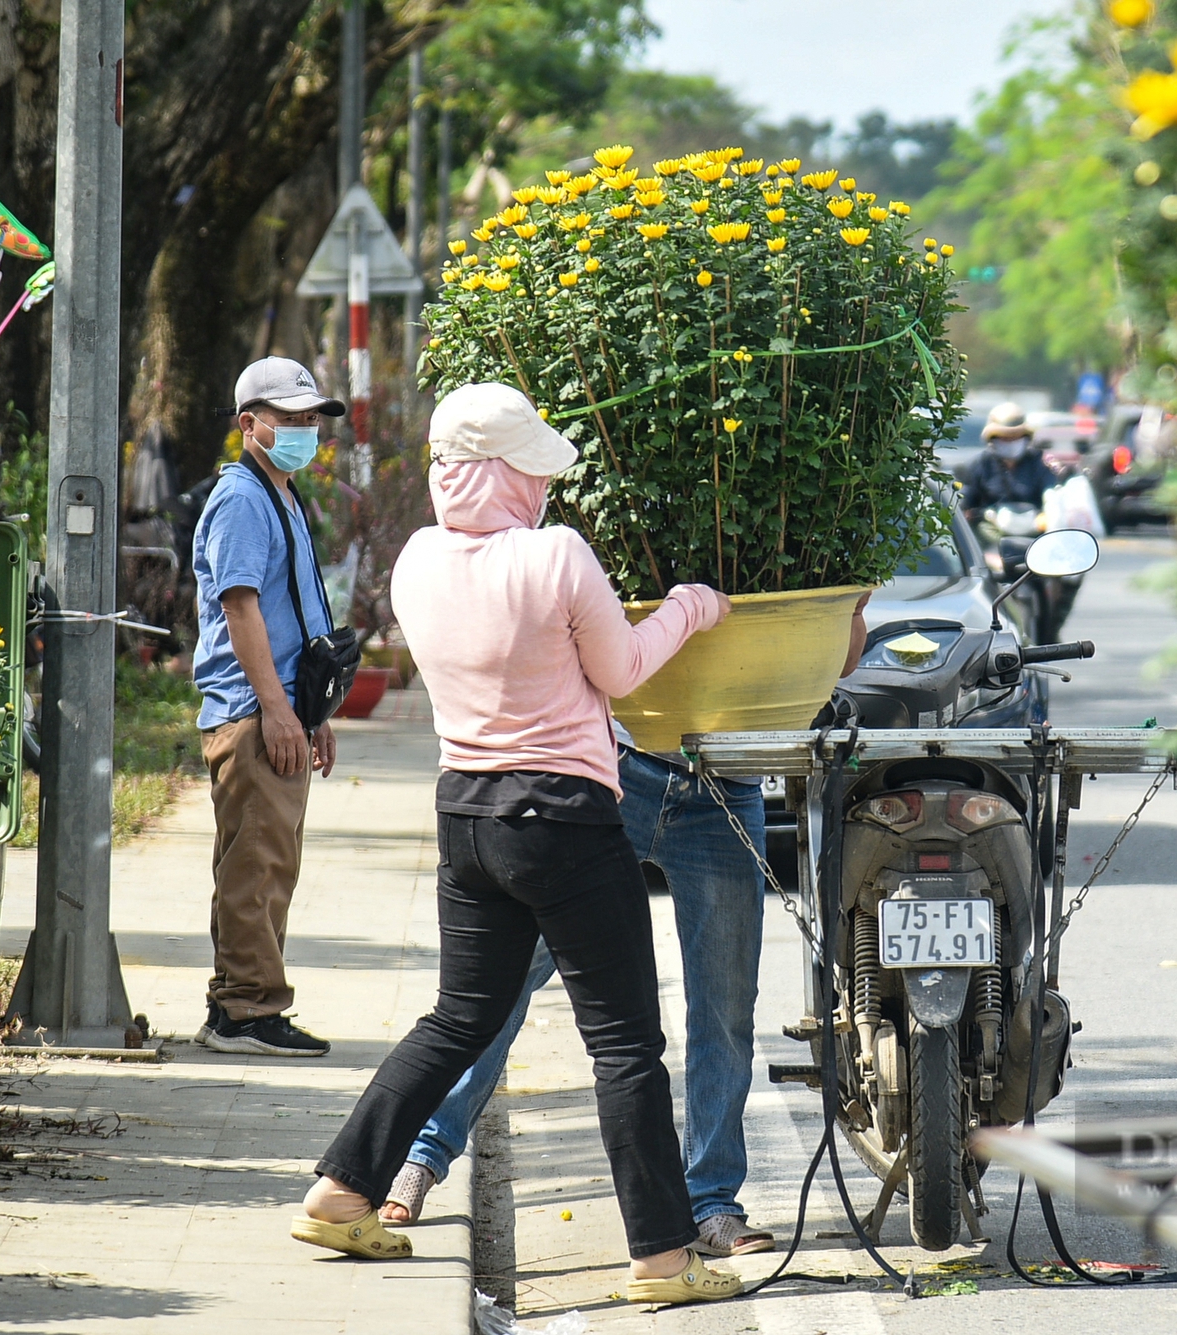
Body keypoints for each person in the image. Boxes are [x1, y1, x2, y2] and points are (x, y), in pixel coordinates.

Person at [293, 382, 744, 1306]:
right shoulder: (555, 555)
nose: (543, 485)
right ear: (500, 473)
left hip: (465, 816)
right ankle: (664, 1257)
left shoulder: (416, 559)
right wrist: (691, 608)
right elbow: (619, 671)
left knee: (458, 1019)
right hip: (564, 817)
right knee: (624, 1042)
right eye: (532, 468)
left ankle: (341, 1192)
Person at [375, 600, 870, 1261]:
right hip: (620, 771)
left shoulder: (780, 540)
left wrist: (848, 613)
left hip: (725, 788)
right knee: (510, 974)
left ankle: (712, 1203)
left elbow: (835, 657)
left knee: (724, 1008)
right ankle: (426, 1152)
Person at [190, 357, 345, 1058]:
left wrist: (314, 712)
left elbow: (290, 616)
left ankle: (245, 1000)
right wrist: (278, 711)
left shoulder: (279, 492)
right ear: (249, 424)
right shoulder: (244, 498)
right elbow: (242, 606)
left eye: (312, 419)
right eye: (290, 420)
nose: (306, 431)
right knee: (256, 864)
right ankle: (245, 1011)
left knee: (269, 862)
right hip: (254, 713)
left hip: (279, 708)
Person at [959, 400, 1058, 527]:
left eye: (1016, 437)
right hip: (989, 537)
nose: (1011, 442)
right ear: (992, 439)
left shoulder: (1040, 464)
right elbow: (965, 503)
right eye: (1005, 438)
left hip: (1034, 535)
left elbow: (1051, 497)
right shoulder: (979, 465)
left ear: (1026, 437)